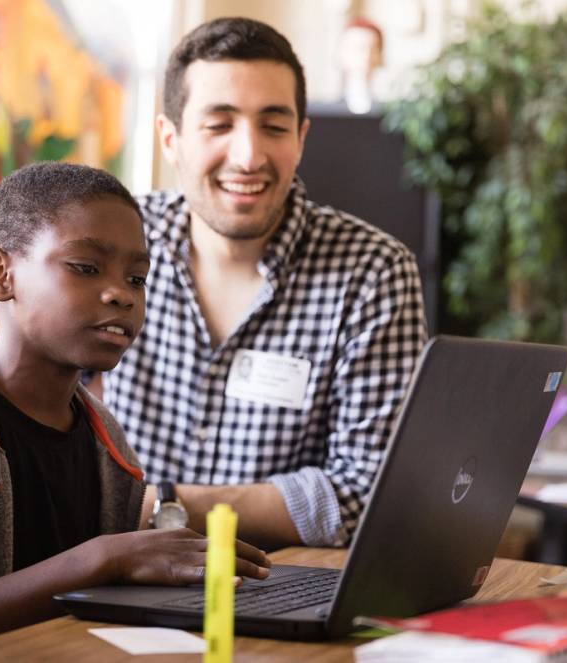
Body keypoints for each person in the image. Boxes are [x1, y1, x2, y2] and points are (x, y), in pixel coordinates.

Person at [0, 162, 271, 637]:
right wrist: (105, 557)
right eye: (86, 268)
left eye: (137, 278)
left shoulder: (104, 437)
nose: (121, 295)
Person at [99, 17, 428, 550]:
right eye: (219, 124)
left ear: (300, 138)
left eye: (273, 126)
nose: (249, 156)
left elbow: (368, 493)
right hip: (110, 581)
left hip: (278, 591)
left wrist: (159, 505)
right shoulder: (113, 243)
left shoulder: (373, 272)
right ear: (170, 138)